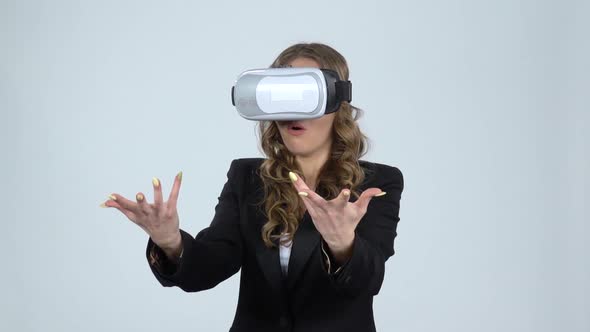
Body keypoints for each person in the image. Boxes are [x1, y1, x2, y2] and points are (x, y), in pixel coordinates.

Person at [100, 42, 404, 332]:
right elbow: (211, 266)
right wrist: (171, 244)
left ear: (337, 101)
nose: (292, 112)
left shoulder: (377, 184)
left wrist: (342, 245)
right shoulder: (247, 177)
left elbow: (367, 282)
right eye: (280, 97)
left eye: (304, 96)